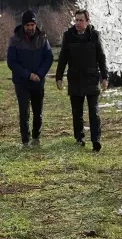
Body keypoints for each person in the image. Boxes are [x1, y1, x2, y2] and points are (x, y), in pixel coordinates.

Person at [55, 9, 108, 152]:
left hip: (91, 78)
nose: (77, 23)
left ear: (87, 21)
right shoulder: (69, 36)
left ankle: (96, 140)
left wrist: (105, 77)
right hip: (75, 78)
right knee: (77, 112)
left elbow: (101, 57)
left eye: (81, 20)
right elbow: (63, 57)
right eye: (76, 20)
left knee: (94, 112)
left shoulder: (94, 36)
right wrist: (59, 77)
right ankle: (79, 138)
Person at [6, 9, 54, 148]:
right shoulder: (15, 40)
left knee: (38, 111)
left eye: (32, 25)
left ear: (35, 25)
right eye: (28, 25)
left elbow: (49, 57)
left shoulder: (43, 39)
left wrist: (39, 74)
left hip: (38, 81)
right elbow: (12, 62)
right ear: (23, 26)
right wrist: (28, 75)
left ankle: (36, 137)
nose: (30, 28)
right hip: (22, 82)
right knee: (24, 111)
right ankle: (25, 140)